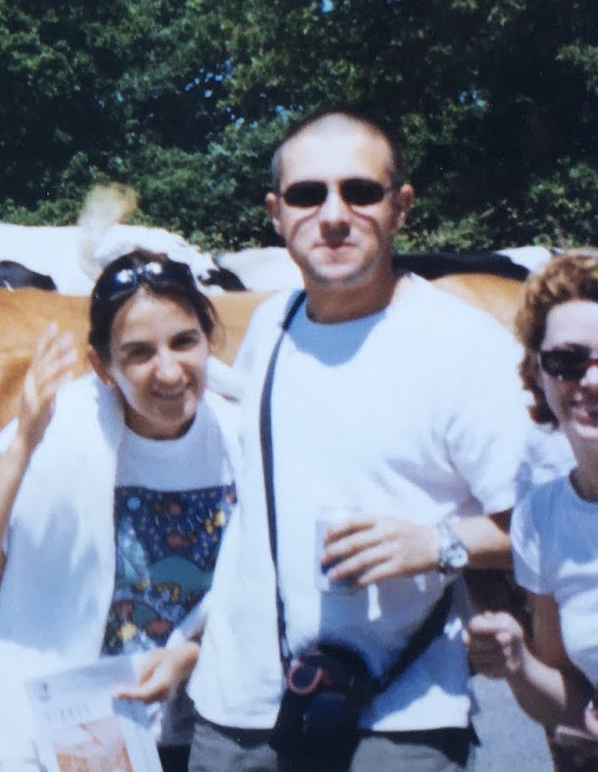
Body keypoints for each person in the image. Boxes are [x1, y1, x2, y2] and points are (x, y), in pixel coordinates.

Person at [186, 108, 536, 771]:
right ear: (276, 213)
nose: (333, 215)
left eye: (360, 191)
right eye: (307, 194)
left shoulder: (464, 348)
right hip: (238, 711)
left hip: (398, 716)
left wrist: (439, 543)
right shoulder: (271, 326)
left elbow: (553, 521)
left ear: (401, 207)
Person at [0, 249, 240, 772]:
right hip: (89, 729)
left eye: (183, 342)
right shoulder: (58, 437)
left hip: (214, 728)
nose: (169, 371)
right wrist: (23, 445)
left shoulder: (245, 439)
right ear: (103, 367)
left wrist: (192, 656)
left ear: (209, 339)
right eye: (139, 353)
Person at [468, 252, 598, 770]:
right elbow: (571, 698)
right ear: (538, 372)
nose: (593, 380)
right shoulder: (540, 518)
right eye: (568, 361)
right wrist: (517, 663)